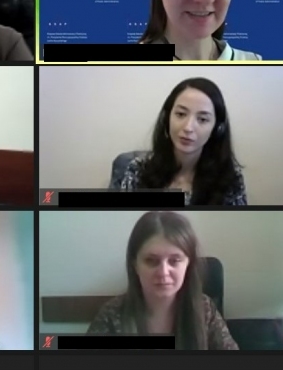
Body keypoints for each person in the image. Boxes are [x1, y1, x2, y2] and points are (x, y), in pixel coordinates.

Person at [87, 211, 239, 350]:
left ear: (188, 264)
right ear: (135, 265)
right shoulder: (112, 315)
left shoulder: (205, 310)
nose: (163, 272)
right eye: (151, 261)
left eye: (174, 261)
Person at [119, 77, 247, 206]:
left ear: (217, 128)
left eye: (202, 119)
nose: (188, 128)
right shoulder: (138, 170)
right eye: (180, 114)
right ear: (167, 118)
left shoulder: (229, 179)